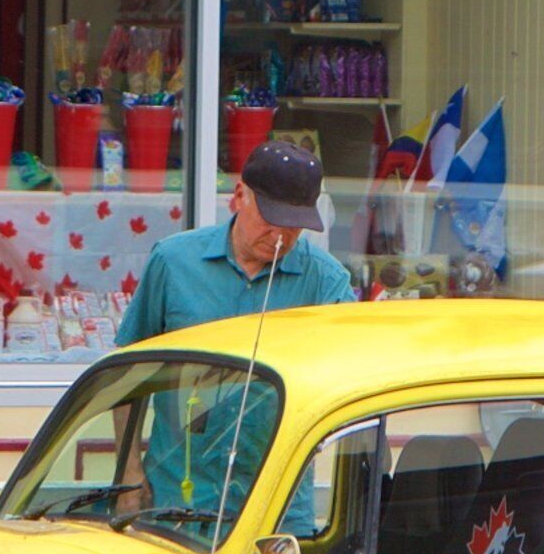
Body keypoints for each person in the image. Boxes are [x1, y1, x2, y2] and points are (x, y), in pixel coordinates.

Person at [112, 142, 361, 525]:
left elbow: (351, 387)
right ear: (239, 196)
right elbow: (125, 376)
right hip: (176, 497)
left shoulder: (325, 283)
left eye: (295, 223)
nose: (281, 234)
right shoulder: (173, 262)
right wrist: (128, 477)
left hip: (277, 507)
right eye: (271, 217)